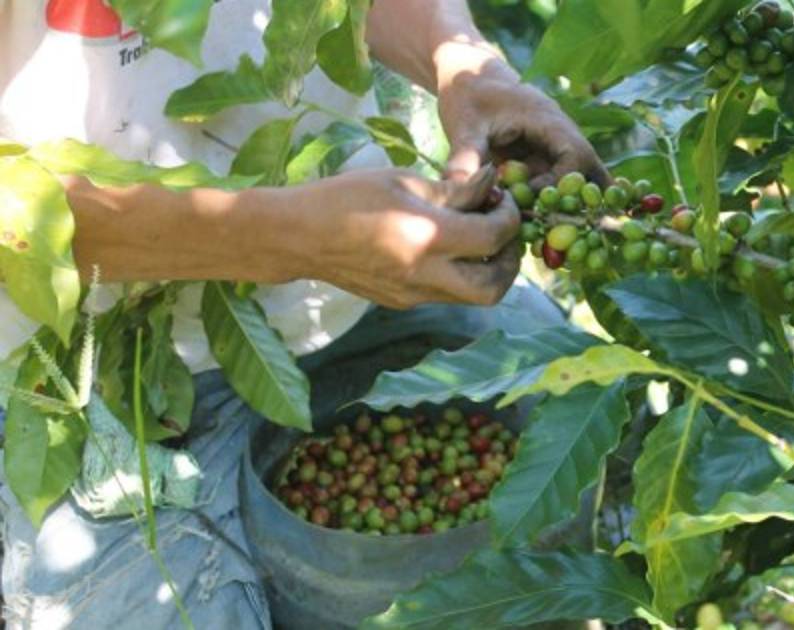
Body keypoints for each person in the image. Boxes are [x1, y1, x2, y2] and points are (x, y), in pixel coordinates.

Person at [0, 1, 601, 627]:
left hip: (370, 267)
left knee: (554, 503)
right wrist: (291, 241)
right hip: (109, 368)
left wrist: (462, 65)